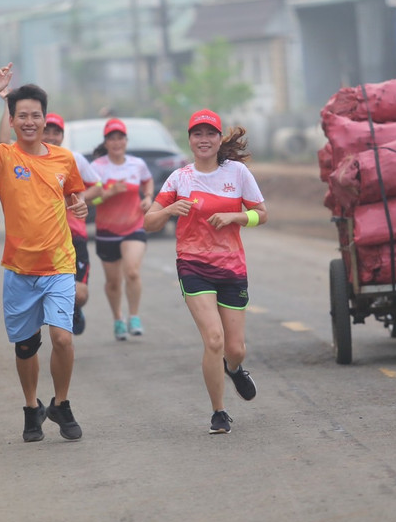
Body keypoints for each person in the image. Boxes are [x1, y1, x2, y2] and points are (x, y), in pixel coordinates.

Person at [0, 64, 88, 442]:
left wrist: (79, 206)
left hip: (59, 264)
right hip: (19, 268)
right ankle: (32, 407)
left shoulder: (64, 159)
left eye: (36, 115)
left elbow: (74, 196)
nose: (30, 121)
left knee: (62, 339)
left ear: (45, 118)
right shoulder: (2, 158)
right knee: (26, 345)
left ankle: (61, 403)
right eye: (23, 116)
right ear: (13, 121)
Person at [144, 109, 267, 435]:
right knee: (214, 339)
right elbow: (148, 222)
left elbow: (261, 214)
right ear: (190, 139)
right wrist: (169, 209)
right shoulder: (180, 178)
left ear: (218, 138)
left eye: (209, 134)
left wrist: (236, 218)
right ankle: (219, 411)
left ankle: (234, 367)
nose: (203, 140)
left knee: (234, 348)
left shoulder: (237, 173)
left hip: (231, 266)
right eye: (197, 134)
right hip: (193, 264)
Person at [90, 117, 153, 340]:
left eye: (120, 138)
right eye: (112, 139)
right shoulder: (96, 168)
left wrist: (147, 197)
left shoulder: (137, 164)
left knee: (133, 272)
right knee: (113, 282)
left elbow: (147, 180)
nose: (116, 143)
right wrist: (109, 193)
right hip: (107, 231)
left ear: (126, 141)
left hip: (133, 226)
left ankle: (134, 316)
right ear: (106, 143)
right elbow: (90, 200)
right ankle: (118, 318)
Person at [40, 113, 102, 335]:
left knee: (80, 293)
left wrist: (80, 199)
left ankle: (75, 309)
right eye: (47, 130)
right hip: (42, 238)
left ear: (62, 135)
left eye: (56, 132)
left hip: (74, 235)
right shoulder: (29, 158)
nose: (51, 136)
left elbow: (98, 187)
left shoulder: (73, 158)